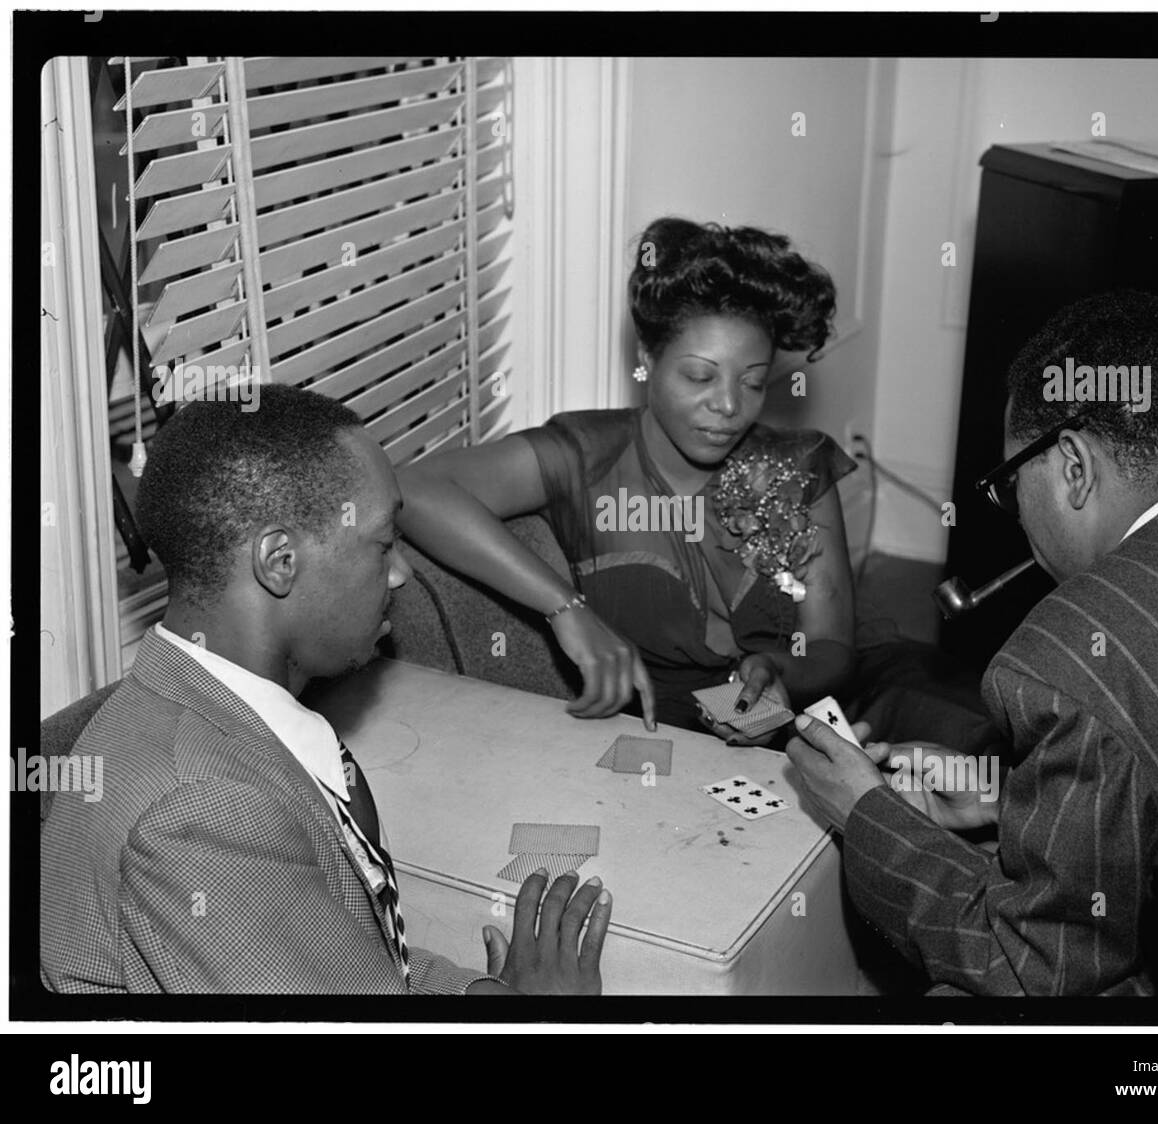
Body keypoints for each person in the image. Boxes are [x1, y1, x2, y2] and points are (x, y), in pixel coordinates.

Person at [787, 291, 1158, 996]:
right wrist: (1000, 794)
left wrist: (861, 812)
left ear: (1074, 466)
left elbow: (1031, 969)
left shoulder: (1068, 656)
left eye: (1009, 484)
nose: (1014, 513)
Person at [41, 386, 611, 995]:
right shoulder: (203, 812)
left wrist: (483, 995)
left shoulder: (212, 705)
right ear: (279, 561)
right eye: (384, 543)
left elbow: (346, 957)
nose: (401, 573)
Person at [398, 216, 857, 738]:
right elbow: (415, 488)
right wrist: (566, 609)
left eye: (753, 382)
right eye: (699, 376)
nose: (729, 405)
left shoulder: (797, 467)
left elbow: (833, 647)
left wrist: (781, 673)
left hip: (787, 742)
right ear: (647, 358)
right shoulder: (586, 455)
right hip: (648, 743)